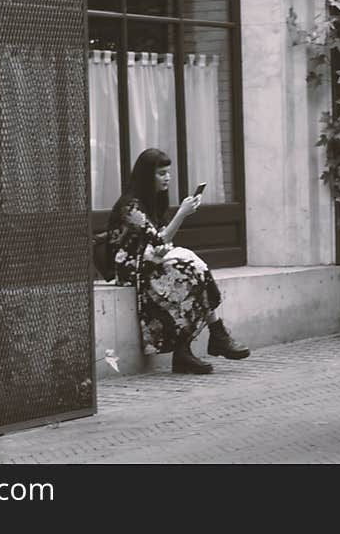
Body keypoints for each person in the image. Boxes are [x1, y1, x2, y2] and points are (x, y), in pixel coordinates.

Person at [107, 148, 250, 374]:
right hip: (131, 269)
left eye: (168, 173)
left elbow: (160, 241)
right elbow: (157, 238)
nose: (167, 178)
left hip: (149, 261)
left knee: (193, 268)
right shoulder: (130, 206)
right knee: (190, 268)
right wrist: (182, 214)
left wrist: (164, 248)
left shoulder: (152, 202)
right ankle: (212, 336)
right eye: (161, 173)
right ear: (147, 176)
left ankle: (194, 346)